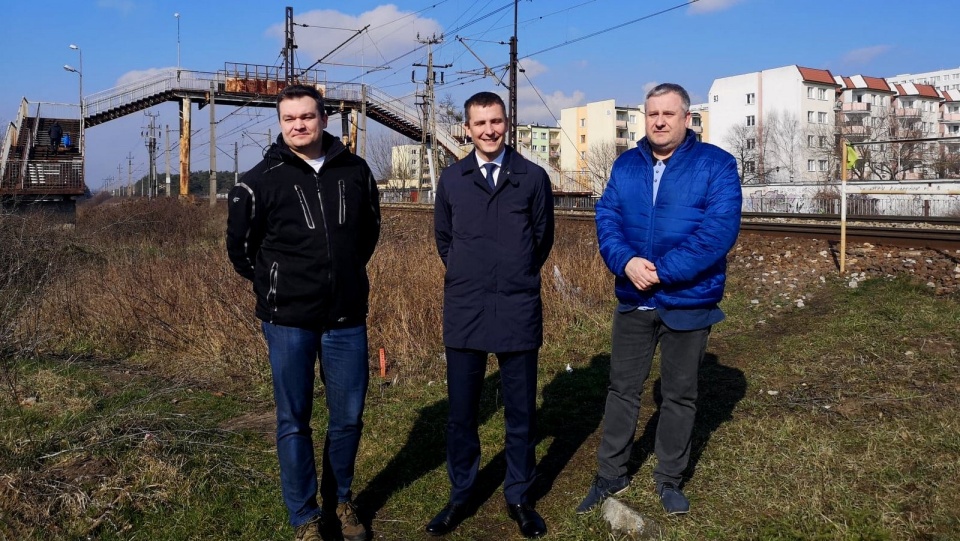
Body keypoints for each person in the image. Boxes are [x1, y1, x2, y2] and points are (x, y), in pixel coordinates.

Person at [577, 83, 742, 516]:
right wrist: (626, 262)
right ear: (644, 118)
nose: (660, 121)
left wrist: (661, 272)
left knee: (679, 394)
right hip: (634, 297)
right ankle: (609, 474)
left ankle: (669, 478)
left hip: (688, 300)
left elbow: (717, 233)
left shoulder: (717, 166)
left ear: (687, 119)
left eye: (669, 114)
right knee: (622, 389)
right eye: (652, 114)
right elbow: (607, 218)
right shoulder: (626, 166)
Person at [226, 84, 380, 541]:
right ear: (280, 122)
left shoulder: (355, 171)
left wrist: (344, 273)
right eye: (289, 118)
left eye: (307, 117)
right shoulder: (259, 181)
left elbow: (368, 233)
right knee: (294, 420)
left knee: (348, 417)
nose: (299, 125)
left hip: (346, 318)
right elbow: (241, 251)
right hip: (288, 322)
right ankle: (304, 517)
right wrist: (279, 287)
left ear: (324, 119)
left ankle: (341, 499)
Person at [429, 91, 554, 539]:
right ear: (467, 128)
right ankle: (461, 494)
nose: (488, 130)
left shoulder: (533, 178)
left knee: (520, 412)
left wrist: (514, 272)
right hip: (464, 309)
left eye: (496, 122)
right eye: (479, 123)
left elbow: (541, 240)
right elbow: (445, 240)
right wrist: (471, 273)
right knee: (462, 412)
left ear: (507, 124)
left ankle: (519, 495)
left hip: (518, 308)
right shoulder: (453, 179)